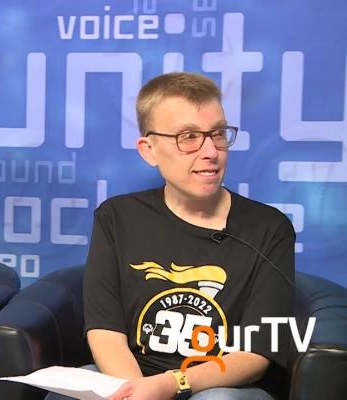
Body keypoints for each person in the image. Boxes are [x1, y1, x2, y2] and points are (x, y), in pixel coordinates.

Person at [49, 72, 295, 400]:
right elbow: (105, 331)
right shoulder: (117, 217)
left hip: (219, 386)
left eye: (218, 134)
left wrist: (171, 384)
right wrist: (138, 392)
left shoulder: (270, 228)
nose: (211, 151)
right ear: (148, 150)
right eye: (188, 137)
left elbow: (256, 355)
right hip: (135, 378)